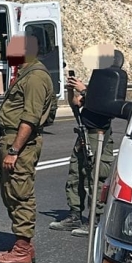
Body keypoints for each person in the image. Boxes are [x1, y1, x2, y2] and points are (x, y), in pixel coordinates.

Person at [0, 35, 55, 263]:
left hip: (21, 143)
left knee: (20, 192)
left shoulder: (36, 77)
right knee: (10, 191)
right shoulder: (26, 73)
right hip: (12, 138)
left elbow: (30, 118)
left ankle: (22, 250)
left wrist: (15, 149)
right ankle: (23, 243)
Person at [49, 74, 117, 235]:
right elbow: (76, 103)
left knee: (95, 178)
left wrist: (85, 90)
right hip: (84, 135)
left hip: (99, 136)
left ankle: (95, 220)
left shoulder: (108, 91)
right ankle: (74, 215)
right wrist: (71, 90)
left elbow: (105, 108)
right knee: (75, 175)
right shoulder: (93, 92)